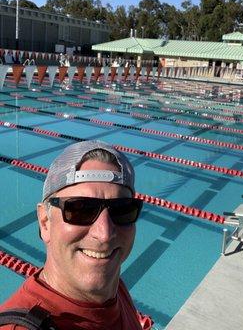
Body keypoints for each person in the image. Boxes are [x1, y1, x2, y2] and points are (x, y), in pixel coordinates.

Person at [0, 140, 144, 329]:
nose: (105, 234)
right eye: (80, 209)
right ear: (45, 222)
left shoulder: (116, 288)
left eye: (122, 209)